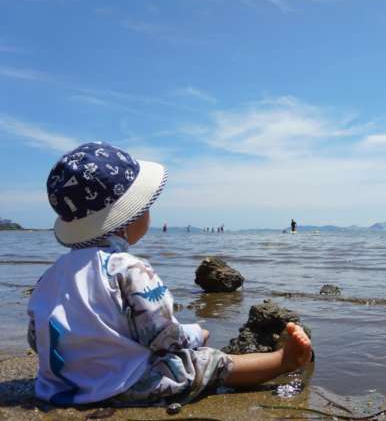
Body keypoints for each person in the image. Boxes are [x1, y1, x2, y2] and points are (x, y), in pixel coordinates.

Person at [29, 142, 312, 406]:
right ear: (128, 218)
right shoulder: (128, 269)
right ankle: (282, 361)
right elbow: (164, 338)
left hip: (59, 386)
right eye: (146, 206)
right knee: (207, 361)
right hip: (125, 386)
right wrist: (196, 334)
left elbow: (36, 338)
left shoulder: (49, 277)